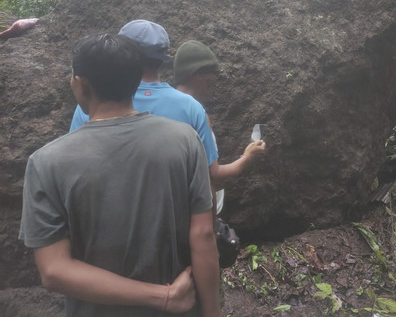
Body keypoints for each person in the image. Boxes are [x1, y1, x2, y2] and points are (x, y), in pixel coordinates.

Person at [20, 34, 220, 316]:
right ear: (136, 80)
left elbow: (54, 270)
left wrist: (163, 297)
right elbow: (203, 234)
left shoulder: (45, 162)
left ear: (80, 83)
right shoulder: (184, 140)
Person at [69, 20, 221, 208]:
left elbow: (73, 169)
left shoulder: (94, 104)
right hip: (173, 223)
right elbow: (208, 179)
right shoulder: (191, 108)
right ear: (163, 57)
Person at [173, 40, 265, 215]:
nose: (213, 87)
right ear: (196, 76)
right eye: (210, 80)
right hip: (197, 215)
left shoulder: (162, 107)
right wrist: (248, 157)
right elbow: (213, 176)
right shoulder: (196, 113)